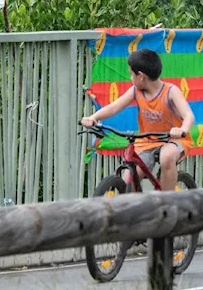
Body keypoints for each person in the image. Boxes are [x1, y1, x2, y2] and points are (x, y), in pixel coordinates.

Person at [81, 48, 194, 192]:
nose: (130, 78)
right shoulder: (136, 90)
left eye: (131, 74)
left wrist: (182, 130)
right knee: (129, 177)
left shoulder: (170, 91)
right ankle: (135, 209)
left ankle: (167, 202)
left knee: (166, 157)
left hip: (173, 140)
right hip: (147, 141)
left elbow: (189, 116)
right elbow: (114, 107)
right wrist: (93, 118)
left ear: (140, 76)